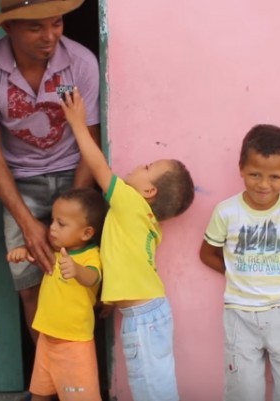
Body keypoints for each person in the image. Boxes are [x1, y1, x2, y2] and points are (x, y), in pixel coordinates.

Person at [0, 0, 101, 343]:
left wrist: (74, 204)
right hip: (21, 183)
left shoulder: (81, 62)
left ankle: (82, 373)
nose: (50, 36)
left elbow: (91, 140)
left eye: (56, 23)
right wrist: (28, 223)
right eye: (36, 27)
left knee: (80, 279)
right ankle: (48, 377)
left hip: (75, 174)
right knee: (29, 284)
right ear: (9, 27)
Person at [60, 87, 195, 401]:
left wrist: (78, 124)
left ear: (149, 192)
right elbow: (124, 260)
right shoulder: (147, 223)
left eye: (147, 168)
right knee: (159, 389)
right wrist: (112, 296)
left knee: (152, 393)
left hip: (143, 320)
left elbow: (98, 168)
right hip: (151, 311)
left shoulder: (131, 203)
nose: (139, 166)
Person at [199, 124, 280, 401]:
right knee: (242, 390)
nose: (263, 184)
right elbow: (207, 253)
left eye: (274, 177)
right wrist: (235, 275)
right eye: (255, 174)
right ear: (241, 168)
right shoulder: (226, 211)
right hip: (239, 314)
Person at [7, 187, 107, 401]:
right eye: (52, 221)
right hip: (46, 341)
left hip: (74, 347)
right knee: (39, 394)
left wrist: (76, 269)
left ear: (87, 233)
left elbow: (93, 277)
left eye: (61, 224)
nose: (51, 228)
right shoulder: (54, 251)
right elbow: (33, 254)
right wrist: (23, 252)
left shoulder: (91, 256)